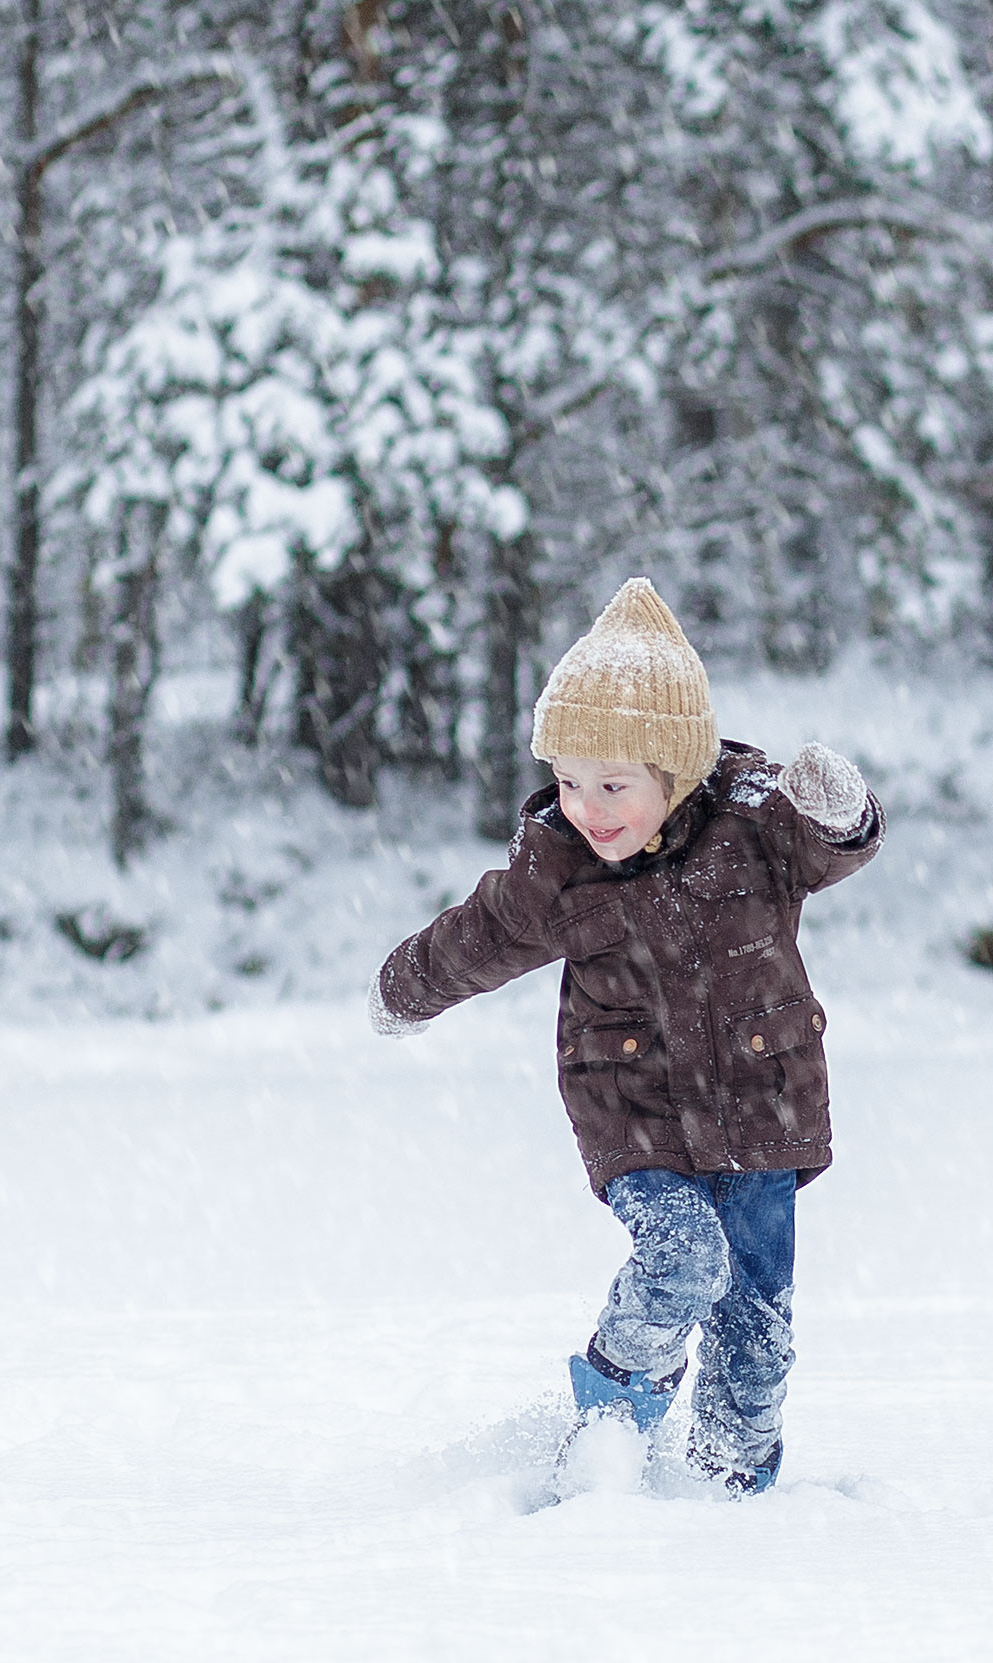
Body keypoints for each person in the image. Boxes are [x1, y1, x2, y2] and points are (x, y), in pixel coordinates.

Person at [368, 576, 883, 1495]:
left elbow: (832, 848)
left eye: (614, 784)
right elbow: (480, 935)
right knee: (684, 1258)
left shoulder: (755, 821)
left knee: (756, 1323)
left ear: (676, 773)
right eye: (568, 781)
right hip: (634, 1112)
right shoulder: (561, 868)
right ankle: (608, 1427)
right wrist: (407, 987)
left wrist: (839, 812)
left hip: (764, 1108)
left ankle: (731, 1488)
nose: (587, 807)